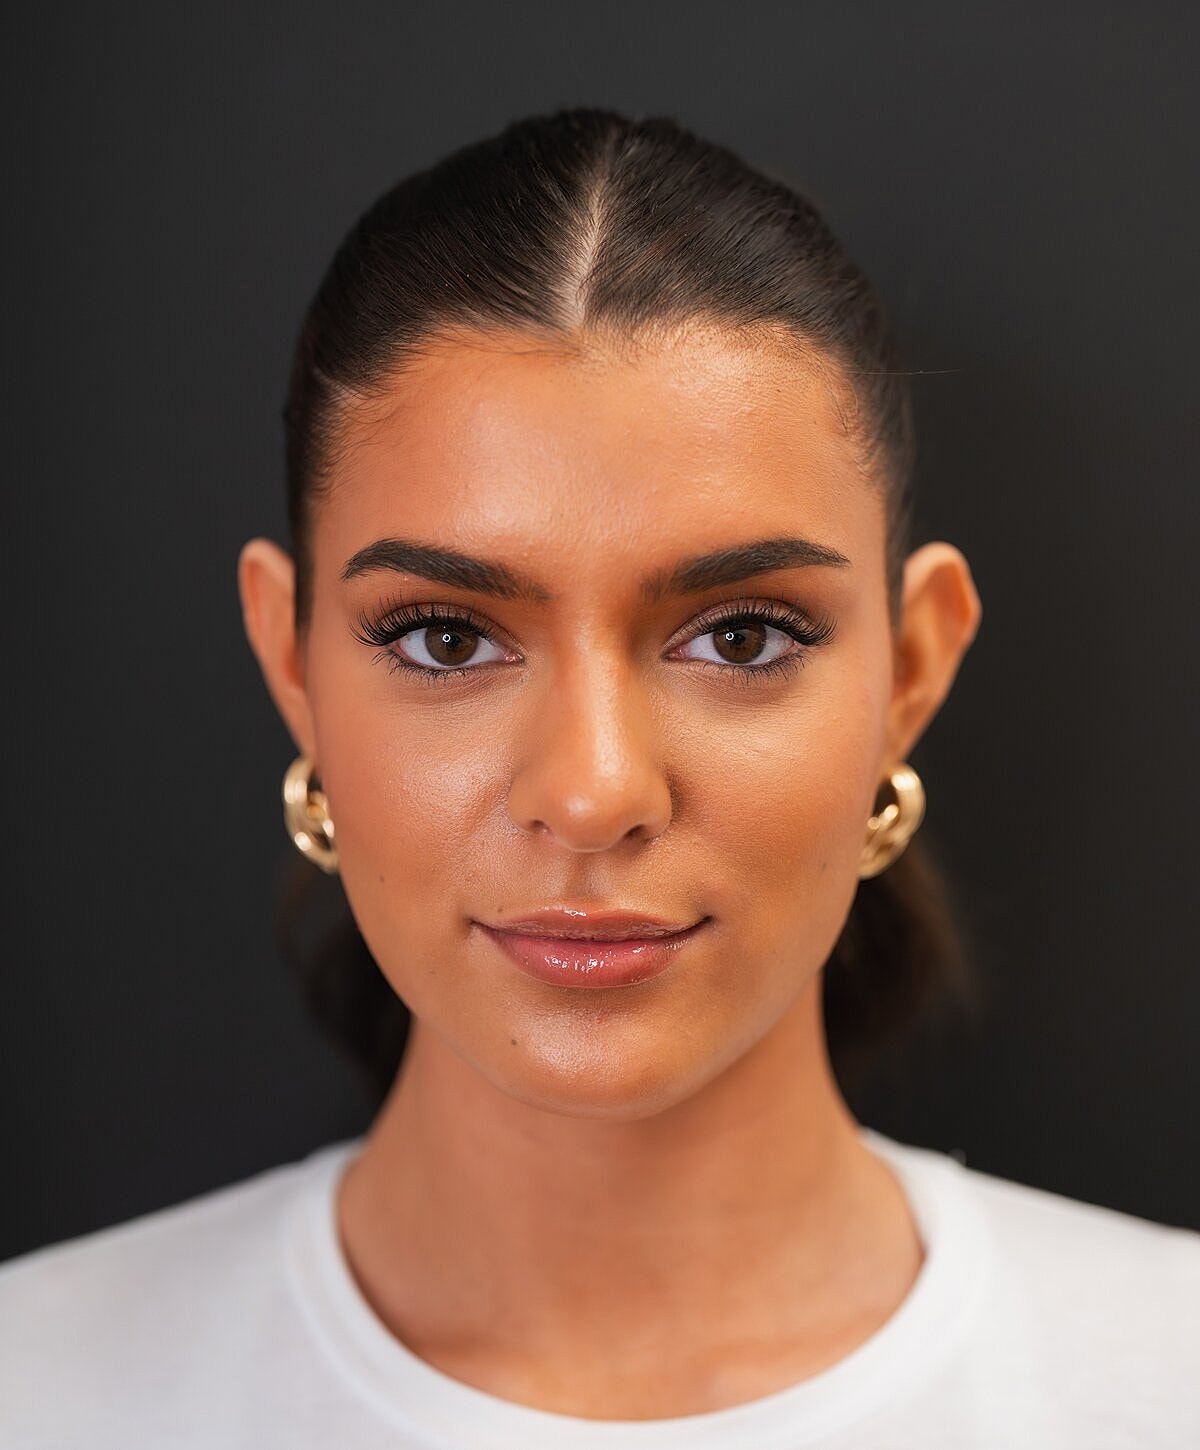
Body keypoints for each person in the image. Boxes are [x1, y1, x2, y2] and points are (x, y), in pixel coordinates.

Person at [2, 107, 1196, 1449]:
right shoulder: (40, 1386)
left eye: (742, 635)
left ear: (912, 672)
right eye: (446, 637)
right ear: (293, 666)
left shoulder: (1166, 1374)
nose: (592, 788)